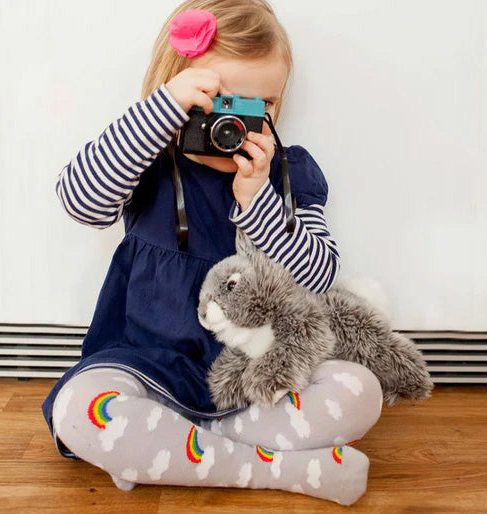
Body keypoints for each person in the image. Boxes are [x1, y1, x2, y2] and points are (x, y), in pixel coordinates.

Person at [43, 0, 383, 506]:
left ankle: (167, 447)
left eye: (263, 107)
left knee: (360, 391)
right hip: (145, 362)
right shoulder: (147, 157)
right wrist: (159, 114)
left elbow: (318, 278)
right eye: (224, 104)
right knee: (79, 411)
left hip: (250, 373)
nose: (242, 126)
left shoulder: (289, 173)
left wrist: (259, 203)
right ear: (180, 93)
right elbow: (79, 201)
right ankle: (279, 469)